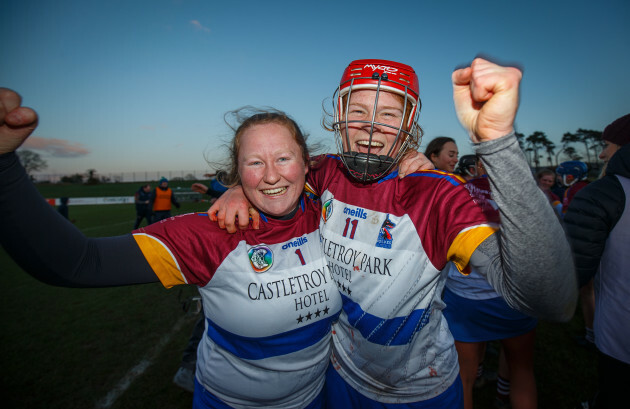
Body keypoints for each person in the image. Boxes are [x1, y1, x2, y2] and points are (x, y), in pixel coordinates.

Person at [209, 58, 578, 408]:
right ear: (339, 117)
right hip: (340, 376)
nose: (371, 127)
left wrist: (497, 142)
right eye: (358, 112)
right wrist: (242, 187)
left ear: (409, 125)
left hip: (421, 390)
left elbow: (550, 301)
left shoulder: (436, 194)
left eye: (388, 114)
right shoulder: (323, 172)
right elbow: (274, 172)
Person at [0, 93, 343, 409]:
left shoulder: (327, 211)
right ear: (236, 172)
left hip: (314, 399)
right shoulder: (208, 233)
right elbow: (77, 262)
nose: (271, 175)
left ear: (306, 163)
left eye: (283, 158)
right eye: (254, 163)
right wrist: (3, 165)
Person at [443, 155, 538, 409]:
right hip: (513, 296)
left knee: (463, 378)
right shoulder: (527, 197)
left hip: (465, 296)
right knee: (522, 370)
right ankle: (502, 394)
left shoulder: (458, 191)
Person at [565, 134, 630, 409]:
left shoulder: (608, 191)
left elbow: (572, 274)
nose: (602, 155)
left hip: (620, 333)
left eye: (607, 146)